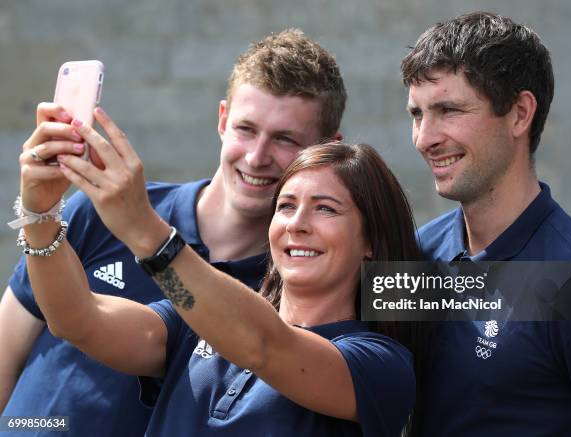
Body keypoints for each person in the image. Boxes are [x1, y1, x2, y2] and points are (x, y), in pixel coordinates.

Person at [0, 29, 346, 436]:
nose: (256, 156)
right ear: (222, 119)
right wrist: (39, 212)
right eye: (246, 129)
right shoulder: (98, 211)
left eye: (285, 139)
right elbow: (13, 347)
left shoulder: (294, 287)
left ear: (325, 149)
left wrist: (141, 229)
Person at [18, 138, 421, 435]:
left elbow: (263, 345)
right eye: (285, 206)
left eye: (325, 208)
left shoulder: (380, 363)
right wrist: (40, 213)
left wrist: (143, 227)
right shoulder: (194, 322)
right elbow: (76, 319)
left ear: (371, 242)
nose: (297, 223)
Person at [401, 11, 571, 436]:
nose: (425, 138)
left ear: (519, 113)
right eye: (417, 114)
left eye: (449, 110)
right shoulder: (416, 252)